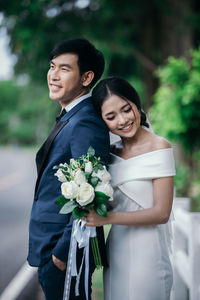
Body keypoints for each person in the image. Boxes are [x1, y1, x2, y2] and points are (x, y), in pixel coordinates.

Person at [27, 38, 110, 300]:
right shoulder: (72, 116)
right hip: (53, 249)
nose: (53, 75)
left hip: (65, 254)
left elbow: (92, 193)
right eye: (52, 67)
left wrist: (61, 256)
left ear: (87, 77)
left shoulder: (85, 123)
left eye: (64, 69)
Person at [85, 77, 176, 300]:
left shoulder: (159, 146)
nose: (123, 120)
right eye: (111, 116)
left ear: (136, 104)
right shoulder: (109, 155)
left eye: (127, 109)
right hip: (116, 251)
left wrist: (107, 218)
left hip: (150, 256)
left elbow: (161, 213)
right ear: (102, 121)